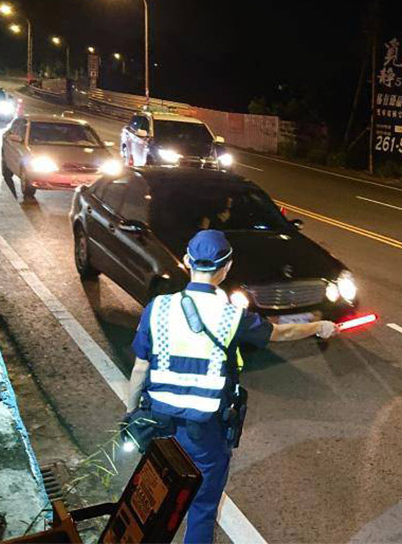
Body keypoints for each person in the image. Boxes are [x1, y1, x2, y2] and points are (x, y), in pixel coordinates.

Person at [125, 229, 339, 543]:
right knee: (202, 506)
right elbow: (279, 334)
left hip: (157, 424)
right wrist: (319, 326)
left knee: (155, 499)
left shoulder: (158, 307)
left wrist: (131, 414)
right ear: (226, 268)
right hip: (205, 432)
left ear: (187, 261)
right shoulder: (230, 317)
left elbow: (140, 366)